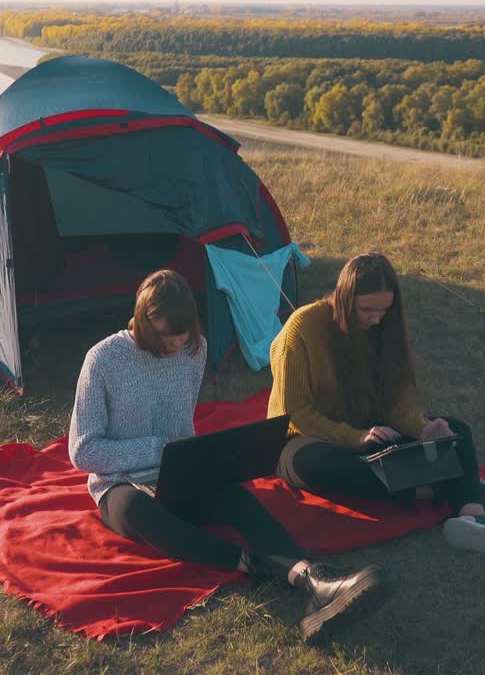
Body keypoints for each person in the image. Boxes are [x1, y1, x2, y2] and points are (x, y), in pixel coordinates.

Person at [69, 269, 383, 640]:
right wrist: (156, 448)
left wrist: (194, 457)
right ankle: (246, 562)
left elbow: (181, 422)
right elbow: (82, 450)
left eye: (184, 333)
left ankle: (313, 578)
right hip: (120, 484)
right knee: (139, 510)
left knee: (235, 494)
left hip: (178, 471)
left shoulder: (194, 348)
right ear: (144, 321)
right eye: (168, 334)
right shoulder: (103, 360)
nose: (178, 343)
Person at [269, 253, 485, 559]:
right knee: (319, 464)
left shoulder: (384, 328)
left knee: (455, 431)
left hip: (369, 431)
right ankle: (442, 488)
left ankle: (473, 518)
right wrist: (355, 437)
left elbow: (394, 403)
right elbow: (295, 413)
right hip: (306, 438)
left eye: (384, 310)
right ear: (344, 298)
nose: (376, 319)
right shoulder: (303, 327)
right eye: (366, 309)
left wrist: (421, 428)